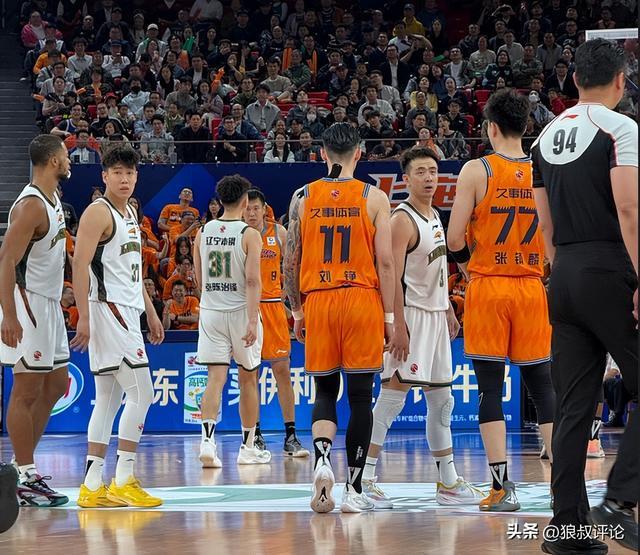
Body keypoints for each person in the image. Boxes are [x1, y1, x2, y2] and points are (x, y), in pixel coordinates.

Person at [531, 39, 638, 554]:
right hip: (610, 265)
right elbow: (630, 211)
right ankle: (619, 500)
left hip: (565, 272)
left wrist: (562, 273)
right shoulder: (620, 128)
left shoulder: (544, 136)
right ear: (621, 81)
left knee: (574, 406)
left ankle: (567, 528)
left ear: (574, 80)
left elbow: (544, 225)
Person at [447, 89, 555, 513]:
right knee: (543, 387)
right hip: (531, 287)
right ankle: (563, 486)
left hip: (489, 286)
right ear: (526, 127)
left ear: (491, 127)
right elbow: (554, 237)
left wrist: (468, 267)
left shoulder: (477, 170)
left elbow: (454, 239)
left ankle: (500, 487)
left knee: (490, 389)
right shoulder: (543, 169)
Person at [361, 147, 485, 509]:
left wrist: (447, 309)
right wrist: (397, 325)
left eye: (432, 171)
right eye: (420, 172)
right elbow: (393, 278)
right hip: (411, 317)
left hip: (435, 316)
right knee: (391, 399)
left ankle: (448, 483)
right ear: (406, 179)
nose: (429, 178)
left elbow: (437, 270)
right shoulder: (402, 219)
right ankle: (363, 479)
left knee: (442, 401)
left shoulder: (435, 215)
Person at [283, 123, 394, 513]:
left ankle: (322, 460)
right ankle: (356, 488)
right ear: (359, 153)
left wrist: (297, 311)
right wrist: (390, 317)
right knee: (361, 398)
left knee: (325, 392)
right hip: (361, 299)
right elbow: (385, 262)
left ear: (322, 154)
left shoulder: (302, 197)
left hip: (319, 300)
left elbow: (290, 261)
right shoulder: (374, 197)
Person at [71, 145, 165, 508]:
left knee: (108, 400)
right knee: (143, 393)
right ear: (104, 176)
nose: (124, 179)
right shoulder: (99, 212)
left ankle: (92, 485)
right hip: (108, 309)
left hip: (126, 309)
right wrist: (83, 315)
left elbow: (132, 271)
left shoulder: (130, 212)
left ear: (137, 176)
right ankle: (124, 479)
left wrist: (150, 312)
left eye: (129, 172)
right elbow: (79, 265)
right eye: (117, 173)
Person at [0, 134, 71, 506]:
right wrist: (9, 316)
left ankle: (18, 465)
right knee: (26, 391)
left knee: (57, 384)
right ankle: (26, 474)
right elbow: (5, 261)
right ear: (53, 161)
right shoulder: (30, 205)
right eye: (65, 155)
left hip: (49, 303)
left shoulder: (53, 198)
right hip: (27, 303)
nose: (69, 160)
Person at [194, 174, 270, 468]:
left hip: (211, 311)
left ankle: (207, 442)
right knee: (248, 378)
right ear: (245, 201)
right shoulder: (249, 234)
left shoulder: (202, 231)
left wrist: (212, 300)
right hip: (240, 311)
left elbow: (198, 278)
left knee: (215, 379)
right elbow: (252, 281)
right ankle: (247, 447)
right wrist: (252, 320)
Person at [243, 189, 308, 457]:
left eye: (255, 208)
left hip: (273, 308)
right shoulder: (238, 234)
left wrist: (288, 292)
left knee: (282, 371)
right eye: (247, 208)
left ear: (264, 208)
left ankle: (291, 435)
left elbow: (294, 265)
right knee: (250, 374)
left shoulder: (278, 233)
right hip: (248, 309)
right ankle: (254, 435)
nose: (251, 213)